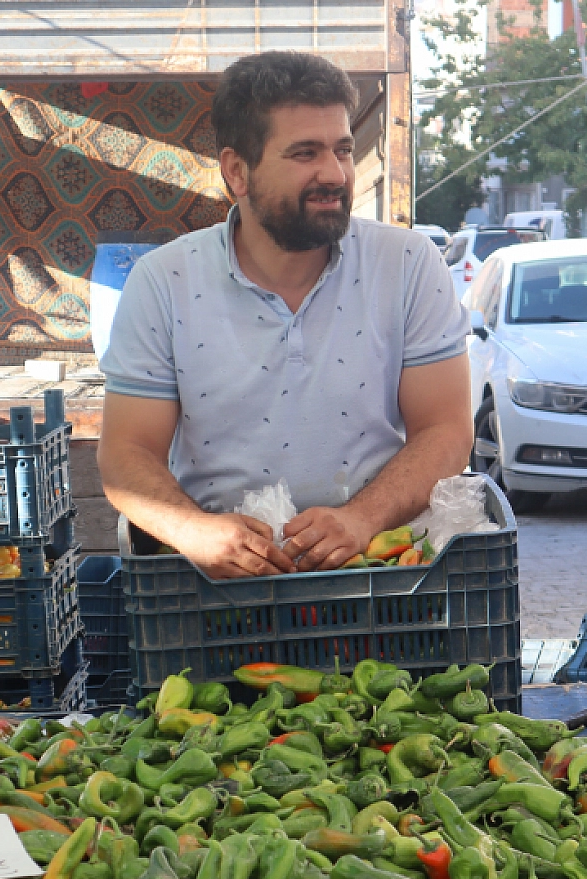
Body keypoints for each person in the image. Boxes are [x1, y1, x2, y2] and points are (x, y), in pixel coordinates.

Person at [97, 50, 473, 579]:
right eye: (305, 153)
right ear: (237, 171)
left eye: (342, 150)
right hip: (217, 586)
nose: (335, 173)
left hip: (383, 572)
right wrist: (194, 532)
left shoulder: (409, 264)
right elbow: (126, 453)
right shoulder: (164, 282)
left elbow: (446, 430)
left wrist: (362, 519)